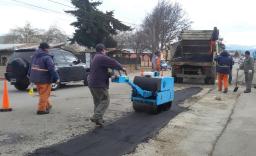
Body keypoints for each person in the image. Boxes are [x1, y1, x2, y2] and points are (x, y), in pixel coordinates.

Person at [88, 43, 126, 126]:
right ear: (103, 50)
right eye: (105, 50)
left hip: (92, 83)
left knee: (98, 102)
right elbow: (113, 62)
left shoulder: (96, 57)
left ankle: (98, 120)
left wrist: (110, 75)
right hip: (99, 84)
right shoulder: (101, 57)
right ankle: (96, 116)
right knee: (105, 100)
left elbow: (101, 71)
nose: (105, 52)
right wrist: (122, 68)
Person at [29, 42, 59, 115]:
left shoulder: (34, 56)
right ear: (46, 48)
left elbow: (30, 67)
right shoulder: (47, 57)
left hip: (35, 78)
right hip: (44, 78)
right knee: (45, 94)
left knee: (43, 93)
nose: (49, 50)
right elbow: (52, 69)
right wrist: (56, 78)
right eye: (48, 48)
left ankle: (48, 105)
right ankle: (41, 109)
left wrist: (30, 76)